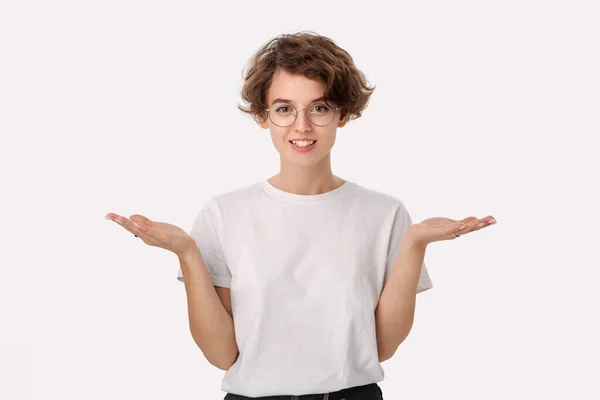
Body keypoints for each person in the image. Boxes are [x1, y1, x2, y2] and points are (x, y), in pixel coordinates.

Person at [105, 31, 496, 400]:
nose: (302, 126)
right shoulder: (223, 214)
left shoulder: (385, 214)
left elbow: (382, 347)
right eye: (284, 109)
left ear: (343, 115)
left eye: (320, 108)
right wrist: (187, 254)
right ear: (262, 116)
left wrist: (415, 244)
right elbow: (223, 355)